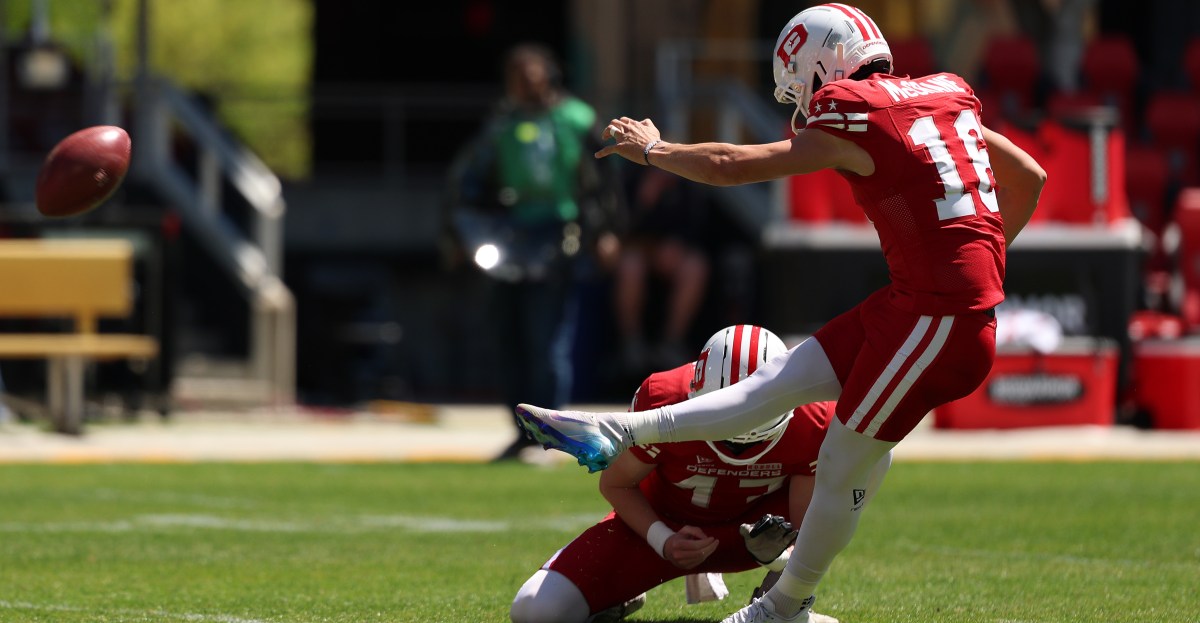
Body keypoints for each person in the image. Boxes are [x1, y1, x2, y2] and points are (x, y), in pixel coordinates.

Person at [513, 4, 1047, 622]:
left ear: (824, 64)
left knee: (842, 460)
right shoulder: (944, 92)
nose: (804, 101)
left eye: (801, 86)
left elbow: (732, 165)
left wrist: (656, 150)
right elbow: (1029, 175)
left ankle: (784, 607)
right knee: (776, 381)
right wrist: (979, 260)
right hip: (916, 304)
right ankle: (621, 431)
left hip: (938, 320)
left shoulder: (854, 108)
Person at [510, 325, 891, 623]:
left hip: (754, 534)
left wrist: (778, 558)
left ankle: (783, 602)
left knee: (871, 456)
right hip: (661, 526)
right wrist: (663, 540)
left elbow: (806, 523)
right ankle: (621, 595)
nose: (738, 443)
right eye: (724, 427)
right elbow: (616, 483)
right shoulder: (663, 396)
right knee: (534, 612)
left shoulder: (812, 418)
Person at [444, 42, 621, 462]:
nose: (525, 85)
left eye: (532, 76)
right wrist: (458, 234)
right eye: (517, 78)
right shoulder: (501, 125)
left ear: (549, 75)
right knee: (507, 336)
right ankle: (521, 431)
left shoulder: (575, 119)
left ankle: (553, 433)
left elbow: (604, 180)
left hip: (558, 236)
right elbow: (468, 180)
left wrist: (606, 231)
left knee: (547, 339)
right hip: (510, 237)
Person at [614, 166, 714, 374]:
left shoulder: (688, 176)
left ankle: (672, 342)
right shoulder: (632, 177)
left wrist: (678, 243)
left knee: (696, 267)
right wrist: (645, 200)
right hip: (640, 251)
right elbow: (622, 231)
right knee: (630, 265)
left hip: (675, 254)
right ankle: (632, 343)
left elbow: (699, 226)